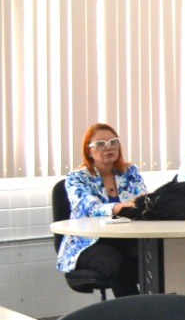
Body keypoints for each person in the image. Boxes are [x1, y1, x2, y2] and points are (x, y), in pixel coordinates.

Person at [56, 123, 147, 297]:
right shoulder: (76, 178)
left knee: (154, 256)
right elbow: (89, 207)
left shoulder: (129, 171)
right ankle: (135, 316)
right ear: (88, 151)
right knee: (117, 265)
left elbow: (141, 200)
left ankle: (160, 309)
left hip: (126, 237)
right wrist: (119, 207)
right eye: (100, 144)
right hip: (88, 242)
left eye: (113, 142)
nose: (108, 147)